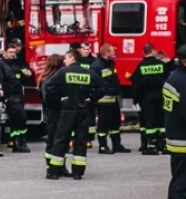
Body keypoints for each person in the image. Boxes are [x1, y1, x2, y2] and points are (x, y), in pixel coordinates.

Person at [44, 51, 103, 180]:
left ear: (72, 58)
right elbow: (103, 87)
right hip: (83, 112)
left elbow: (49, 86)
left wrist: (58, 99)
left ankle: (54, 172)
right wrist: (91, 99)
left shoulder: (64, 72)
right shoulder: (87, 72)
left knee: (61, 140)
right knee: (81, 142)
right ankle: (77, 172)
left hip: (67, 111)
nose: (64, 61)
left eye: (66, 58)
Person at [163, 44, 186, 199]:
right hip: (185, 141)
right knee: (182, 181)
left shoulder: (178, 77)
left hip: (180, 139)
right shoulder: (185, 82)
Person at [91, 44, 130, 154]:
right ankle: (103, 146)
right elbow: (96, 83)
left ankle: (117, 145)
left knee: (115, 123)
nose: (114, 53)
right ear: (106, 53)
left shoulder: (110, 64)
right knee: (103, 123)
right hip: (103, 100)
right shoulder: (97, 66)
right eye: (112, 51)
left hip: (113, 98)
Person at [131, 43, 168, 155]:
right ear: (153, 51)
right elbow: (168, 79)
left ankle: (151, 145)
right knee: (161, 121)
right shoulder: (161, 64)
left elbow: (136, 85)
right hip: (161, 96)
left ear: (144, 52)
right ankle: (162, 144)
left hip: (146, 98)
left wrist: (135, 100)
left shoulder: (141, 66)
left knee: (149, 121)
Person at [0, 43, 31, 152]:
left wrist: (27, 75)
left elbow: (22, 80)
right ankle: (18, 143)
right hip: (9, 96)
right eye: (10, 52)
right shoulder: (0, 65)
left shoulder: (16, 64)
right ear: (5, 52)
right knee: (20, 117)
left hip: (18, 95)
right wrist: (3, 96)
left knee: (19, 120)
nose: (12, 54)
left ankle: (18, 143)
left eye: (14, 52)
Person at [39, 55, 70, 177]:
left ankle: (60, 167)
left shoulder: (46, 78)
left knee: (62, 141)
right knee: (53, 141)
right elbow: (48, 99)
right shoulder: (51, 80)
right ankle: (51, 169)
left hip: (53, 113)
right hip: (54, 113)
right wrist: (61, 100)